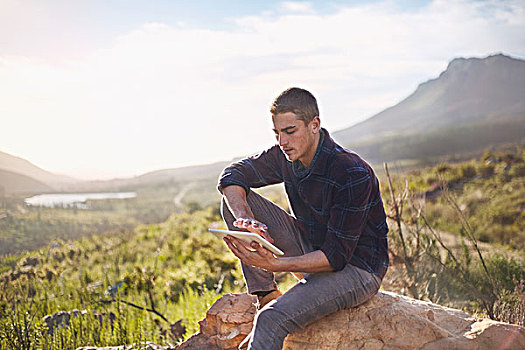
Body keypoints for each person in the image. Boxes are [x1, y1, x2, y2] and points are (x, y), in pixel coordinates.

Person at [217, 87, 389, 350]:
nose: (282, 141)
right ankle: (266, 295)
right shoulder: (285, 156)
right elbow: (232, 175)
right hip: (312, 245)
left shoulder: (352, 173)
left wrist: (276, 264)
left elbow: (336, 257)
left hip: (357, 269)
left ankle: (270, 311)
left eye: (290, 131)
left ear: (314, 125)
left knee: (270, 320)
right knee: (235, 200)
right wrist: (244, 219)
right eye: (277, 133)